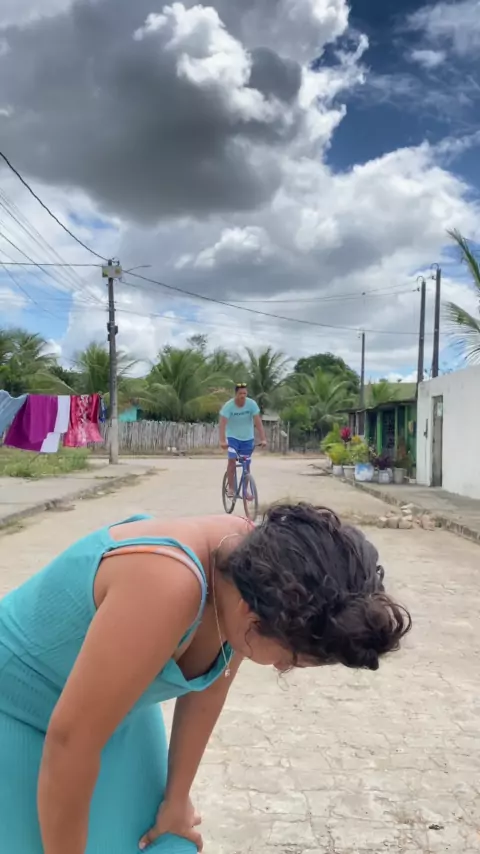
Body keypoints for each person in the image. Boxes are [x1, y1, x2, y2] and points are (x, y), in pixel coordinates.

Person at [0, 503, 411, 854]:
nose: (281, 669)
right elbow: (70, 742)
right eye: (289, 660)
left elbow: (211, 682)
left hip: (114, 707)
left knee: (163, 840)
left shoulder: (263, 575)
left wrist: (177, 800)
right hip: (17, 702)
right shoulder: (166, 585)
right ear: (252, 616)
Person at [219, 383, 267, 497]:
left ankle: (245, 490)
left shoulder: (251, 404)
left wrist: (263, 438)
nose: (242, 396)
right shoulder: (229, 406)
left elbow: (258, 422)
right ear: (236, 394)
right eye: (240, 393)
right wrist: (222, 441)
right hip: (233, 438)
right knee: (232, 460)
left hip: (247, 438)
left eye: (244, 393)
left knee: (246, 464)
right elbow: (222, 424)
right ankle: (231, 488)